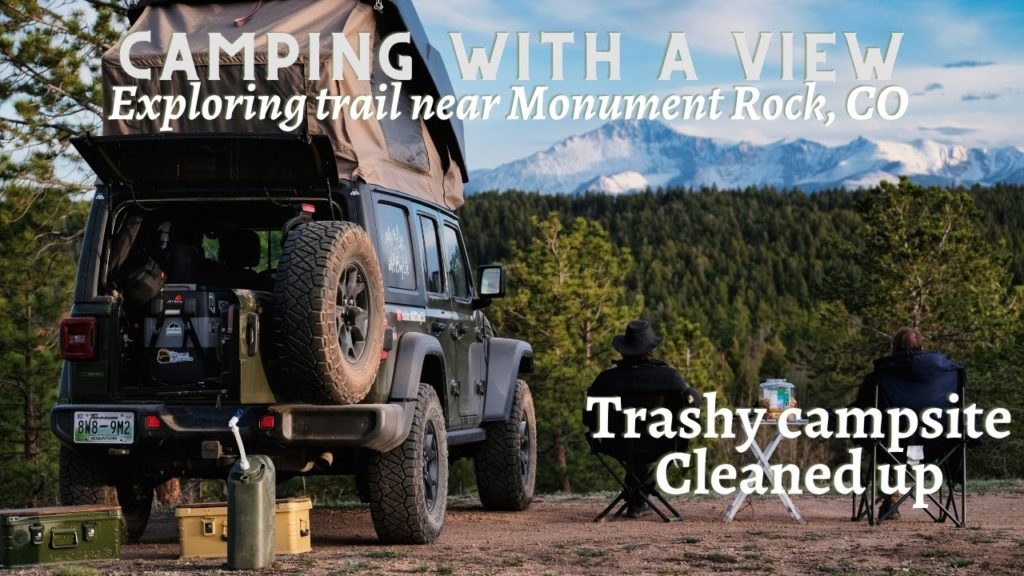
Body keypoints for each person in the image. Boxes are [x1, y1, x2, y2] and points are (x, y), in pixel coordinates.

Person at [585, 320, 702, 518]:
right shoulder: (669, 377)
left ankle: (637, 498)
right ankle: (640, 497)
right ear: (650, 350)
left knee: (635, 448)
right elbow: (688, 412)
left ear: (623, 350)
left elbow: (589, 418)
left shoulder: (604, 380)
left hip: (614, 443)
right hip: (661, 441)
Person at [853, 326, 962, 520]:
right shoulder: (948, 373)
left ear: (894, 348)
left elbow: (861, 408)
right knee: (900, 433)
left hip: (891, 447)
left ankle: (890, 499)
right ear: (922, 348)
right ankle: (948, 507)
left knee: (886, 433)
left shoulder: (881, 374)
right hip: (937, 444)